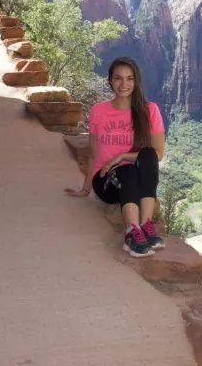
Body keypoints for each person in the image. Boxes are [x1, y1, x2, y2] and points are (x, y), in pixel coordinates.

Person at [65, 57, 166, 257]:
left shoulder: (149, 110)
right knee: (127, 170)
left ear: (136, 81)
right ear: (110, 80)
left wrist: (124, 156)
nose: (124, 84)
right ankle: (131, 232)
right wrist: (86, 189)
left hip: (135, 179)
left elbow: (158, 154)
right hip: (106, 182)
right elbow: (93, 153)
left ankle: (146, 225)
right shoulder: (99, 111)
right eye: (118, 78)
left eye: (129, 79)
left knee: (146, 155)